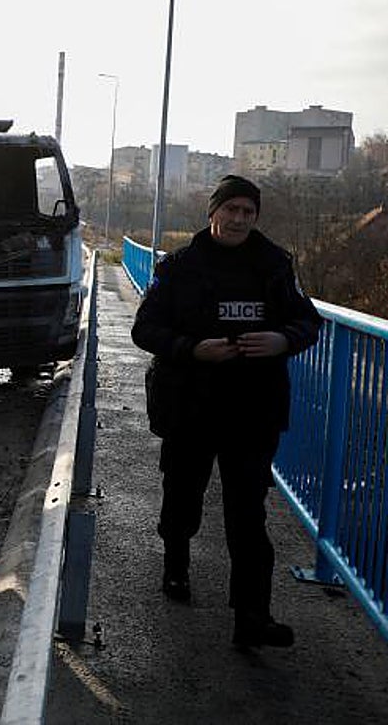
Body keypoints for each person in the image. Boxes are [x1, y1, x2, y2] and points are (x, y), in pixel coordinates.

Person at [131, 174, 322, 650]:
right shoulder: (179, 266)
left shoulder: (275, 265)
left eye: (247, 212)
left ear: (255, 218)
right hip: (190, 407)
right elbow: (145, 329)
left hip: (253, 411)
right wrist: (192, 349)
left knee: (248, 516)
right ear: (213, 212)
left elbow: (307, 321)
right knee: (181, 497)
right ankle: (176, 561)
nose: (238, 219)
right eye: (231, 209)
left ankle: (252, 617)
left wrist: (283, 339)